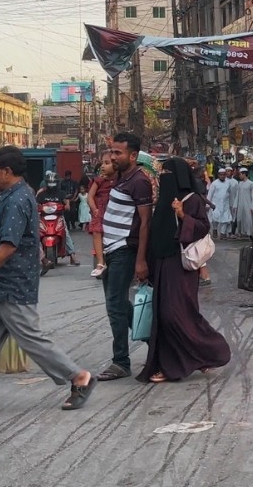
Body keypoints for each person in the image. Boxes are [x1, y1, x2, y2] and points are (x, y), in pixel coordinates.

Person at [0, 146, 96, 417]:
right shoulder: (8, 196)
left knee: (31, 339)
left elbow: (8, 247)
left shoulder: (17, 200)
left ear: (7, 171)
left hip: (12, 285)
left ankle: (78, 377)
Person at [137, 157, 231, 383]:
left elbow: (202, 227)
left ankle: (200, 354)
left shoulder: (192, 200)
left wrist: (182, 216)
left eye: (168, 172)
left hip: (181, 267)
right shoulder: (161, 200)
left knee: (175, 314)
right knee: (165, 315)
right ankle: (191, 357)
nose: (164, 177)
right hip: (161, 264)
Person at [98, 132, 154, 381]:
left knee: (115, 306)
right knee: (119, 306)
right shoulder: (121, 178)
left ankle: (121, 361)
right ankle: (155, 343)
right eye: (112, 152)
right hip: (111, 250)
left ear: (133, 155)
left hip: (124, 251)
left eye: (118, 153)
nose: (113, 157)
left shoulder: (139, 181)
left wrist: (140, 260)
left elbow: (145, 223)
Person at [87, 153, 115, 278]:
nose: (103, 166)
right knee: (97, 232)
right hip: (100, 210)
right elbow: (90, 196)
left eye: (107, 163)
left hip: (114, 211)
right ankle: (100, 262)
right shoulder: (98, 180)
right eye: (103, 163)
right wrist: (94, 209)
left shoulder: (121, 180)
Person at [207, 167, 234, 240]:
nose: (222, 176)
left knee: (226, 219)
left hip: (225, 204)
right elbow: (210, 194)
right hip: (216, 204)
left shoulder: (228, 183)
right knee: (215, 219)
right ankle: (215, 230)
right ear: (218, 175)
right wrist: (208, 204)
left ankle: (223, 234)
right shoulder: (214, 184)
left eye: (224, 175)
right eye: (221, 175)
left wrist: (231, 204)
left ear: (225, 175)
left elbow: (230, 193)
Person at [231, 167, 253, 238]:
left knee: (248, 219)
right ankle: (241, 232)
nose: (239, 176)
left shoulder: (251, 183)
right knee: (239, 218)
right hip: (240, 204)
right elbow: (237, 195)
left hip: (248, 203)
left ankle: (249, 233)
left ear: (244, 174)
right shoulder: (240, 184)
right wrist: (235, 205)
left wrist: (252, 206)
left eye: (240, 174)